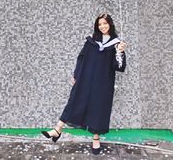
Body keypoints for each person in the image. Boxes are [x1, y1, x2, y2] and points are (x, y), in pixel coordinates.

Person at [41, 13, 126, 155]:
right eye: (100, 24)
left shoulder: (116, 44)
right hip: (85, 78)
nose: (102, 26)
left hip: (103, 82)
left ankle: (96, 138)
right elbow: (81, 57)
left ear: (110, 24)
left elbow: (119, 67)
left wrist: (120, 52)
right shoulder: (91, 41)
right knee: (74, 101)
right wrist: (76, 74)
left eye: (105, 23)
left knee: (98, 108)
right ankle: (57, 129)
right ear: (96, 26)